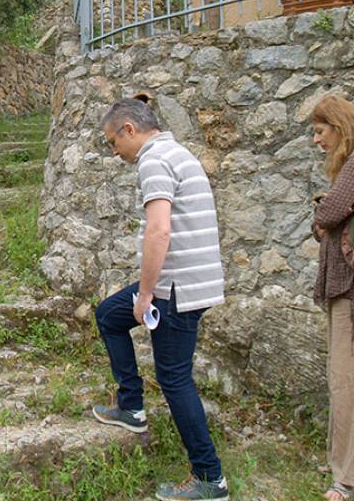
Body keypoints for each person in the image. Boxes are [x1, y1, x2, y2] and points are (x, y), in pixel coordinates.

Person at [93, 98, 228, 501]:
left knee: (174, 379)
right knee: (109, 315)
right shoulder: (177, 151)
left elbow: (159, 232)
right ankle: (131, 407)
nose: (114, 153)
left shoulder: (153, 161)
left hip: (174, 290)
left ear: (129, 130)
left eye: (112, 143)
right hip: (191, 283)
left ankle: (210, 478)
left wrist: (146, 292)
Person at [311, 95, 354, 501]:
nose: (317, 141)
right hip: (349, 290)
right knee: (351, 379)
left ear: (339, 126)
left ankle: (351, 477)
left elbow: (328, 214)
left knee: (351, 380)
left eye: (320, 131)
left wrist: (323, 213)